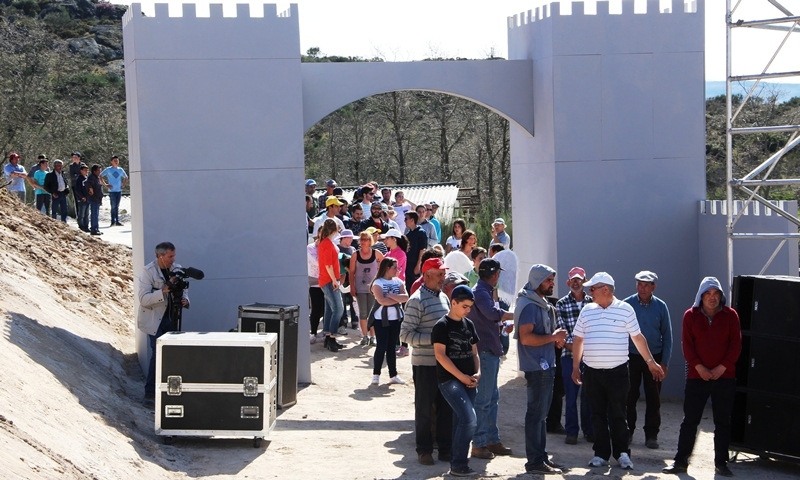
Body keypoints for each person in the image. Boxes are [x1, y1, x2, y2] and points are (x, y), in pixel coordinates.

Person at [571, 272, 665, 470]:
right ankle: (601, 454)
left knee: (619, 414)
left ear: (606, 289)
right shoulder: (587, 310)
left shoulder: (626, 310)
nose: (590, 292)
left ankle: (622, 453)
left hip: (618, 373)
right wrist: (575, 367)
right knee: (596, 414)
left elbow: (637, 338)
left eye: (593, 288)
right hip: (593, 372)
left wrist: (650, 362)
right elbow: (578, 339)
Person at [663, 277, 741, 478]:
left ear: (721, 296)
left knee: (723, 422)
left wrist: (722, 368)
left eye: (716, 294)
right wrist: (701, 368)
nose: (712, 298)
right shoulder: (690, 316)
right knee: (690, 421)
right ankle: (680, 462)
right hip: (697, 377)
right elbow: (687, 346)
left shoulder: (731, 315)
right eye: (708, 294)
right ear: (701, 296)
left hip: (725, 377)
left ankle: (721, 463)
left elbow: (736, 345)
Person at [400, 258, 453, 466]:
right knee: (424, 408)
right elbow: (405, 335)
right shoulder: (416, 300)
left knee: (445, 407)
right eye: (440, 274)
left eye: (443, 273)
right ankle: (424, 450)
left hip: (445, 363)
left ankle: (445, 449)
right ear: (427, 274)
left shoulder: (444, 298)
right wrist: (434, 340)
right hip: (425, 365)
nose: (443, 277)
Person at [515, 264, 567, 474]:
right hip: (537, 367)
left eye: (552, 280)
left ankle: (541, 457)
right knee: (536, 415)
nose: (552, 284)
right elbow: (526, 338)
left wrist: (553, 340)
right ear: (537, 281)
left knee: (541, 416)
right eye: (548, 280)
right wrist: (553, 338)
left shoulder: (542, 303)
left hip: (546, 366)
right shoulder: (529, 305)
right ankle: (535, 462)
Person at [432, 285, 481, 477]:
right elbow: (440, 356)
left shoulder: (469, 324)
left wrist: (478, 374)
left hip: (469, 380)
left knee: (462, 420)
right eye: (464, 306)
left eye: (470, 307)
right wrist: (461, 377)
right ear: (453, 303)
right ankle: (459, 464)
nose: (468, 310)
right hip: (449, 381)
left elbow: (475, 353)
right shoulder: (441, 326)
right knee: (469, 419)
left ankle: (457, 462)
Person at [470, 258, 515, 460]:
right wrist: (512, 315)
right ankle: (479, 443)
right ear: (494, 274)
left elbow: (488, 317)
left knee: (492, 398)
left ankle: (491, 439)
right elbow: (490, 313)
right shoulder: (481, 291)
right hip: (485, 351)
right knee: (484, 400)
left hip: (488, 349)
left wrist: (503, 323)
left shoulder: (482, 290)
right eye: (498, 273)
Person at [137, 242, 190, 408]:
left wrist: (185, 300)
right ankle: (150, 393)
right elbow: (144, 299)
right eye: (170, 257)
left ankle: (171, 391)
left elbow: (185, 291)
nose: (173, 260)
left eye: (174, 256)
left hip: (172, 317)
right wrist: (164, 291)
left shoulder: (177, 268)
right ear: (160, 256)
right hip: (155, 320)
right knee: (158, 354)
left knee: (173, 355)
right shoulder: (148, 271)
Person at [623, 270, 672, 449]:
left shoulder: (661, 306)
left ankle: (652, 435)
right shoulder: (626, 305)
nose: (642, 288)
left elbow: (667, 336)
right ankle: (627, 432)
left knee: (654, 397)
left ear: (653, 287)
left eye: (646, 285)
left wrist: (664, 363)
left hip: (655, 358)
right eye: (639, 284)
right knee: (629, 396)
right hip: (631, 357)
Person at [555, 267, 594, 445]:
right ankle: (572, 432)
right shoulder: (561, 304)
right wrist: (579, 350)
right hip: (569, 357)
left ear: (585, 281)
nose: (576, 282)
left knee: (589, 397)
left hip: (591, 359)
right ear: (568, 282)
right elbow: (563, 334)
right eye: (573, 279)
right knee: (570, 396)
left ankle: (589, 430)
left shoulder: (593, 302)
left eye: (579, 279)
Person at [369, 257, 409, 385]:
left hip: (395, 319)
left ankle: (393, 375)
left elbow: (406, 297)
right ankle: (376, 374)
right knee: (381, 347)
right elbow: (382, 301)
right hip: (381, 319)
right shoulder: (377, 283)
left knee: (392, 347)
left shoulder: (398, 281)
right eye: (394, 268)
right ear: (387, 268)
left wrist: (391, 296)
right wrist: (396, 298)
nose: (397, 270)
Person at [351, 231, 384, 346]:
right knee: (363, 313)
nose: (363, 242)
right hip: (359, 288)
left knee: (372, 313)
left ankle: (372, 336)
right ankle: (364, 336)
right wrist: (352, 286)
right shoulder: (355, 255)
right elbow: (351, 272)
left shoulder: (376, 253)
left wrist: (381, 282)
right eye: (362, 239)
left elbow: (385, 267)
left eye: (366, 239)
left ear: (370, 241)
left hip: (373, 289)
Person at [318, 219, 345, 352]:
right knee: (338, 309)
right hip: (329, 280)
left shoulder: (325, 243)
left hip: (327, 279)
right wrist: (335, 280)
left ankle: (328, 336)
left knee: (330, 309)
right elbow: (328, 265)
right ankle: (332, 337)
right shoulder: (327, 244)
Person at [404, 211, 428, 292]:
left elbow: (423, 249)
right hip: (408, 265)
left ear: (412, 220)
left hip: (416, 264)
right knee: (408, 288)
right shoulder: (408, 234)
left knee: (416, 288)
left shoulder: (421, 232)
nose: (405, 221)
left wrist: (418, 265)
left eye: (406, 219)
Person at [100, 155, 128, 227]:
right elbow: (100, 176)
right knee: (113, 206)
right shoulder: (108, 169)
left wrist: (123, 185)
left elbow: (126, 177)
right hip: (112, 191)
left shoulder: (120, 170)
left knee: (117, 206)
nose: (116, 162)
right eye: (114, 160)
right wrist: (105, 185)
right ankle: (113, 221)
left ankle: (117, 221)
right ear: (111, 162)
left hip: (118, 190)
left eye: (117, 160)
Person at [307, 235, 325, 344]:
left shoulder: (331, 246)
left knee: (325, 310)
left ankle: (325, 332)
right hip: (314, 282)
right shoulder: (309, 248)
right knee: (316, 310)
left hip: (327, 281)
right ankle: (313, 332)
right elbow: (317, 261)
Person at [86, 164, 104, 236]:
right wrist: (90, 189)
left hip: (97, 199)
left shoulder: (97, 178)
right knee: (94, 215)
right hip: (93, 199)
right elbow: (87, 184)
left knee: (96, 215)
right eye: (98, 170)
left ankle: (96, 228)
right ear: (94, 171)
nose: (99, 172)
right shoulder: (91, 177)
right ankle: (93, 229)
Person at [73, 163, 91, 233]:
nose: (86, 171)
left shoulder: (87, 179)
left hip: (88, 199)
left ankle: (86, 226)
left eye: (87, 170)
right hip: (82, 199)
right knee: (81, 214)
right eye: (85, 170)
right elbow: (77, 190)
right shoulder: (79, 179)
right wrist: (82, 197)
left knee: (86, 214)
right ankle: (81, 226)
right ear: (81, 171)